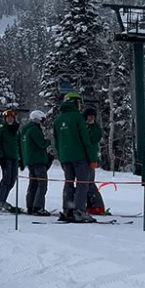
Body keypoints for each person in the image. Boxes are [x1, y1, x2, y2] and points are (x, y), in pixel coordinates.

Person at [54, 93, 98, 222]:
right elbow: (85, 140)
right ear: (74, 102)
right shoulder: (78, 118)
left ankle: (68, 209)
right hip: (80, 157)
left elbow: (57, 142)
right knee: (82, 184)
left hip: (65, 158)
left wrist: (61, 157)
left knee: (68, 183)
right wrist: (93, 159)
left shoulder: (58, 120)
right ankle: (79, 210)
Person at [21, 111, 51, 216]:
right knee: (42, 184)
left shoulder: (26, 130)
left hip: (30, 160)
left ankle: (30, 205)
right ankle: (38, 207)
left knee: (33, 184)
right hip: (38, 160)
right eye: (43, 120)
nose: (43, 122)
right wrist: (48, 141)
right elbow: (42, 144)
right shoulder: (34, 130)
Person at [0, 110, 20, 211]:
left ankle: (3, 199)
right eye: (8, 118)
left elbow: (19, 144)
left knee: (12, 180)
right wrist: (1, 157)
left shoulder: (16, 130)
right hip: (6, 158)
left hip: (14, 158)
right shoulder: (2, 130)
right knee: (6, 179)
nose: (10, 119)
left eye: (12, 118)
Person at [83, 107, 106, 214]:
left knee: (89, 183)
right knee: (86, 183)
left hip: (90, 158)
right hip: (83, 158)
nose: (91, 118)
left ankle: (97, 206)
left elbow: (95, 138)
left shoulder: (95, 127)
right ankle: (91, 205)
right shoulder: (82, 125)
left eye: (93, 116)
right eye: (90, 116)